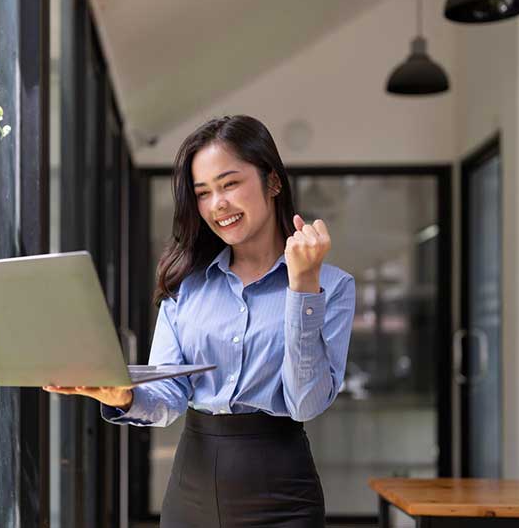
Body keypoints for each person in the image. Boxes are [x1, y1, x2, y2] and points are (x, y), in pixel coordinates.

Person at [43, 114, 356, 527]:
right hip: (192, 488)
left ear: (273, 182)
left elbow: (306, 402)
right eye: (203, 192)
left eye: (229, 184)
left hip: (283, 494)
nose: (218, 204)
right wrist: (125, 397)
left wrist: (302, 288)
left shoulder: (330, 287)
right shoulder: (187, 286)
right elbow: (170, 394)